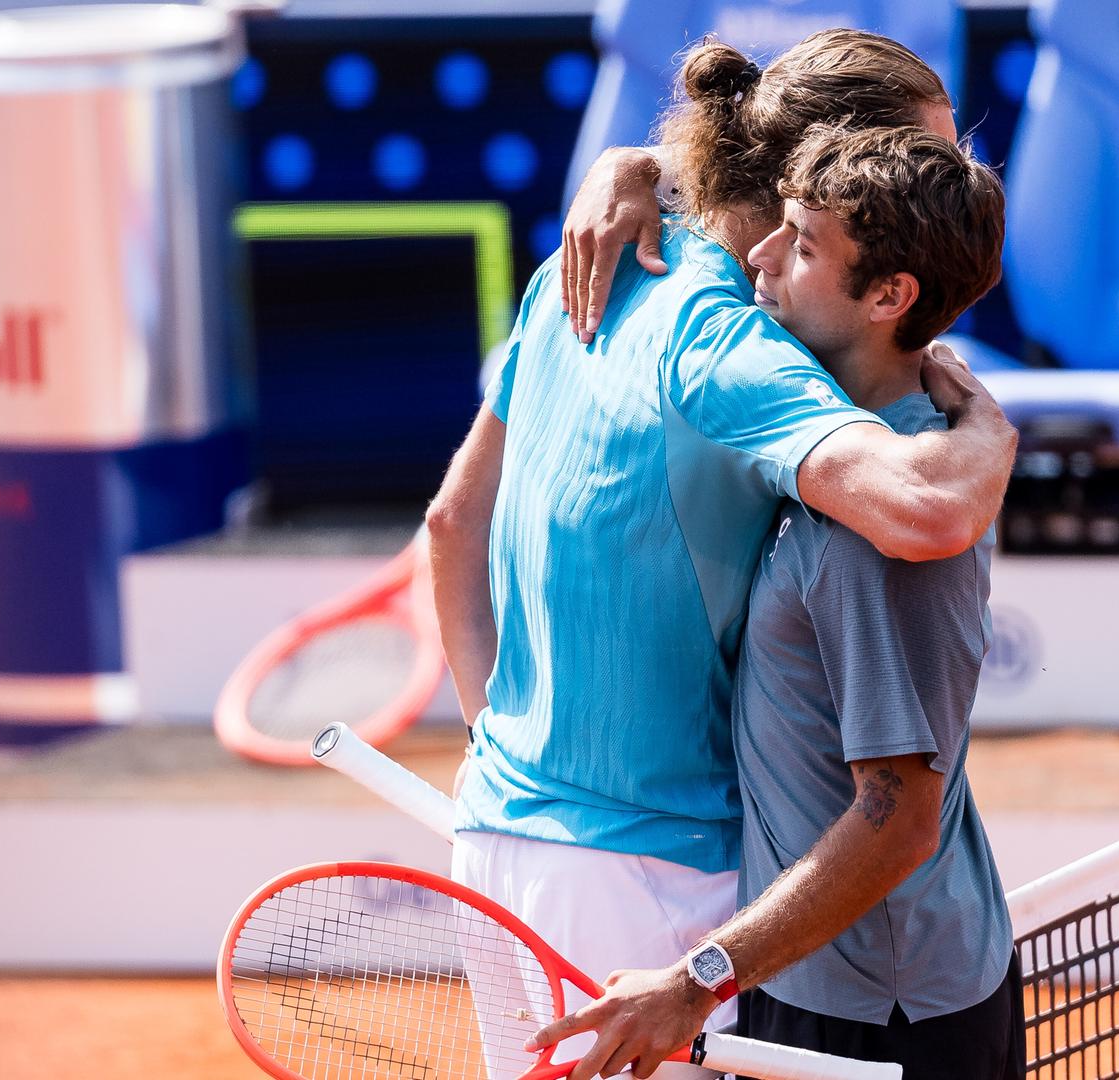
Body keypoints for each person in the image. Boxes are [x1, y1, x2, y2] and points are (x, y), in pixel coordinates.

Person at [422, 29, 1015, 1079]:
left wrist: (504, 760)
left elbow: (451, 526)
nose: (942, 181)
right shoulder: (737, 345)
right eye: (924, 155)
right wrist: (989, 435)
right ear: (828, 175)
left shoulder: (577, 273)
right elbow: (923, 514)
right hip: (654, 879)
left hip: (495, 836)